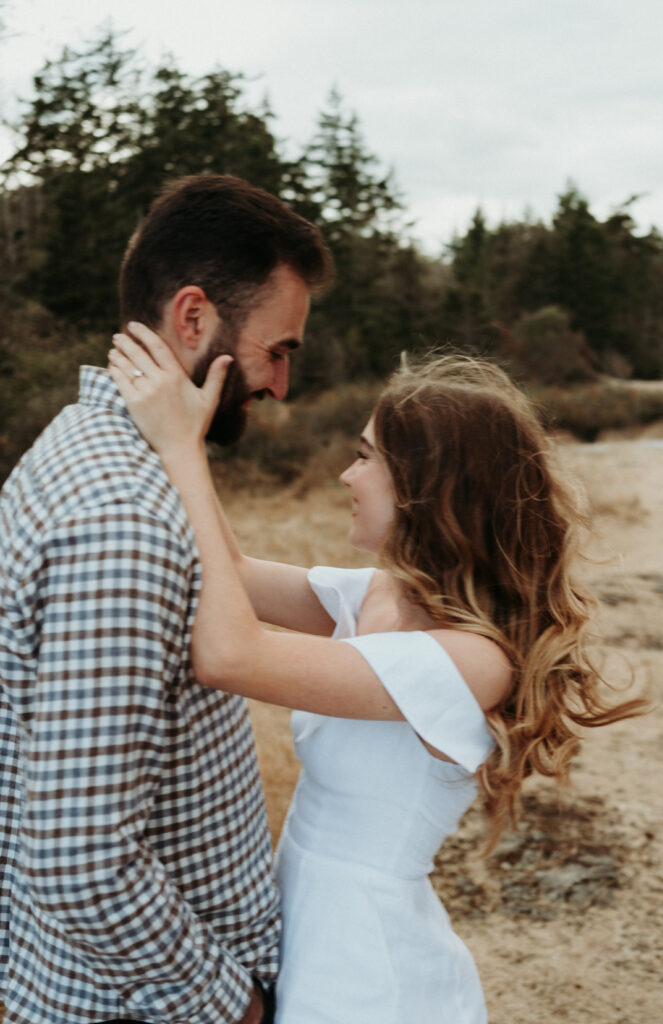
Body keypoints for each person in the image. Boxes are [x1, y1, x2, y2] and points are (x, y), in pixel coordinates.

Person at [107, 332, 646, 1024]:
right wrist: (186, 436)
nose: (345, 476)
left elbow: (230, 655)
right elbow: (234, 578)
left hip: (365, 966)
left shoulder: (471, 661)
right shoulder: (381, 595)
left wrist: (180, 446)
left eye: (365, 457)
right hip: (306, 916)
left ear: (429, 487)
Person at [0, 173, 332, 1024]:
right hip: (141, 1007)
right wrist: (230, 1005)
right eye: (279, 348)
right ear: (194, 318)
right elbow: (79, 857)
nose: (280, 385)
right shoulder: (124, 524)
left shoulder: (89, 446)